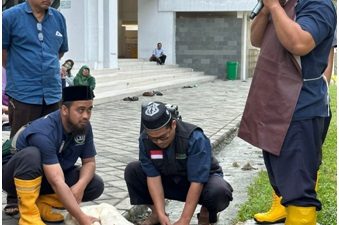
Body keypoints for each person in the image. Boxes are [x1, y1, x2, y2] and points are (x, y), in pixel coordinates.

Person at [238, 0, 336, 224]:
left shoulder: (317, 4)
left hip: (299, 108)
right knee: (283, 177)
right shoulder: (285, 4)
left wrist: (273, 7)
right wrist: (266, 10)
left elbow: (300, 43)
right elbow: (256, 39)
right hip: (275, 106)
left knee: (298, 186)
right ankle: (285, 212)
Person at [2, 86, 104, 225]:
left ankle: (44, 204)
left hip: (49, 175)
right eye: (80, 110)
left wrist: (80, 186)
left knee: (94, 184)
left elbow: (89, 162)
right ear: (64, 110)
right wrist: (81, 218)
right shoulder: (43, 132)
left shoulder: (83, 125)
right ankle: (29, 216)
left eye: (89, 109)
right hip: (14, 177)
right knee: (32, 155)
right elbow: (57, 181)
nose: (86, 115)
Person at [2, 0, 69, 215]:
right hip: (23, 92)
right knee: (20, 144)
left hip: (52, 93)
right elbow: (4, 55)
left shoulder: (58, 18)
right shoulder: (10, 17)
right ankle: (15, 196)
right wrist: (22, 70)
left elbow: (59, 53)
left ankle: (45, 193)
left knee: (54, 143)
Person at [124, 101, 233, 225]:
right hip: (172, 180)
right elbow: (153, 177)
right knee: (133, 170)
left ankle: (205, 213)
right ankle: (155, 215)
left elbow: (197, 181)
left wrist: (184, 219)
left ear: (173, 124)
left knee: (219, 191)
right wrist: (160, 213)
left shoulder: (194, 138)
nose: (159, 142)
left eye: (163, 137)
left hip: (201, 183)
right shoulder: (145, 140)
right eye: (154, 138)